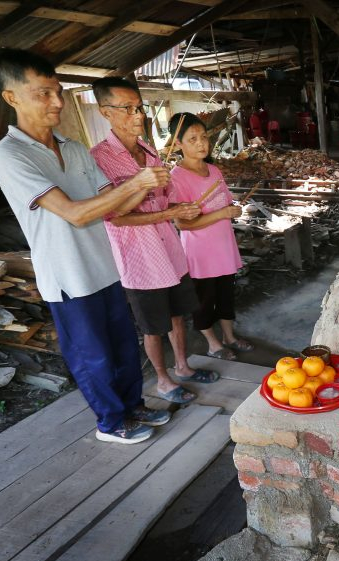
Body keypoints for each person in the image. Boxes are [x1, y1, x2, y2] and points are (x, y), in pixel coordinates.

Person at [0, 48, 171, 444]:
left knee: (123, 346)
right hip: (68, 275)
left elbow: (111, 202)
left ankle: (133, 405)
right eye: (43, 94)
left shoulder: (71, 147)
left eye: (58, 92)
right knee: (93, 356)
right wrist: (137, 184)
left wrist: (147, 186)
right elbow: (73, 213)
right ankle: (110, 422)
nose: (56, 102)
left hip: (105, 264)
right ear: (11, 97)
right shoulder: (9, 154)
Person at [89, 77, 218, 404]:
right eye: (127, 109)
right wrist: (146, 192)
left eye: (140, 108)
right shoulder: (99, 158)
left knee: (178, 314)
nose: (138, 116)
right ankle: (163, 381)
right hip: (140, 259)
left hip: (169, 251)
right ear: (106, 112)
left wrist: (181, 209)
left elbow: (164, 201)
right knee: (152, 326)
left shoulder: (149, 151)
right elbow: (114, 216)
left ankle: (183, 367)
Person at [166, 113, 253, 360]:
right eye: (192, 139)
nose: (201, 143)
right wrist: (222, 213)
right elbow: (182, 222)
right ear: (178, 143)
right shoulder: (177, 178)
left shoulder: (213, 170)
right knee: (204, 301)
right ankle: (213, 344)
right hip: (200, 253)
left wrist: (233, 209)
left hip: (224, 247)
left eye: (203, 137)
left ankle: (229, 336)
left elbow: (225, 202)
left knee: (226, 295)